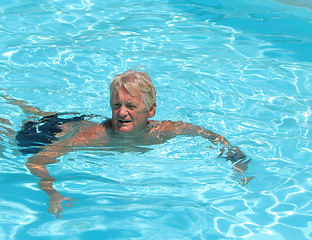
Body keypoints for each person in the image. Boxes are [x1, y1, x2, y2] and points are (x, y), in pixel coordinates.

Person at [19, 69, 251, 218]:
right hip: (46, 133)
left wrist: (235, 159)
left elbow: (211, 136)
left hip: (74, 121)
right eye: (116, 105)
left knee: (44, 113)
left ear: (151, 110)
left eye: (131, 106)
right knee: (10, 131)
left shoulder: (164, 130)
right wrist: (52, 193)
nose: (121, 113)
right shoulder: (94, 137)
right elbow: (36, 160)